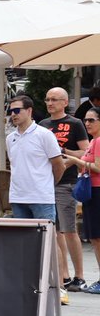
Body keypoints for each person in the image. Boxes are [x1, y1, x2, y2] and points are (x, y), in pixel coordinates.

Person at [40, 87, 88, 291]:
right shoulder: (42, 125)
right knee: (56, 231)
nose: (50, 103)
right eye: (47, 99)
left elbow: (85, 151)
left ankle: (79, 276)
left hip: (66, 182)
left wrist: (63, 152)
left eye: (55, 99)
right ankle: (64, 274)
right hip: (45, 183)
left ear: (65, 102)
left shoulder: (75, 123)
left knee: (69, 230)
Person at [6, 93, 65, 221]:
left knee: (45, 239)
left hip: (41, 198)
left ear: (29, 111)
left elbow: (59, 165)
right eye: (11, 111)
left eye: (17, 110)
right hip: (18, 197)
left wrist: (47, 184)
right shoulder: (10, 138)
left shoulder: (44, 135)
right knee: (22, 239)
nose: (13, 114)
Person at [61, 107, 100, 292]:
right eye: (86, 120)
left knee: (97, 237)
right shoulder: (93, 141)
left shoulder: (98, 141)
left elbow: (98, 167)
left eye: (92, 120)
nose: (87, 123)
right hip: (91, 191)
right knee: (94, 237)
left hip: (97, 190)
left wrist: (76, 161)